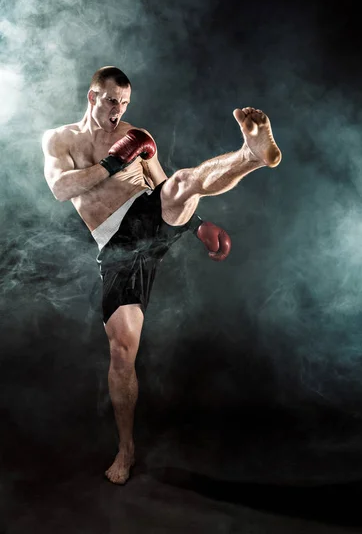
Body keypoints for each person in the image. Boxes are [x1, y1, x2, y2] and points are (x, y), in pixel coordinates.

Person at [42, 66, 282, 485]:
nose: (118, 111)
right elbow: (62, 189)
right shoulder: (61, 140)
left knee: (186, 181)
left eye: (125, 103)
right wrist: (115, 162)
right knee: (121, 353)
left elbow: (165, 185)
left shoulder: (135, 134)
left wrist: (198, 224)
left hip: (150, 218)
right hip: (115, 246)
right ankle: (127, 447)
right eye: (111, 101)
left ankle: (251, 155)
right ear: (92, 96)